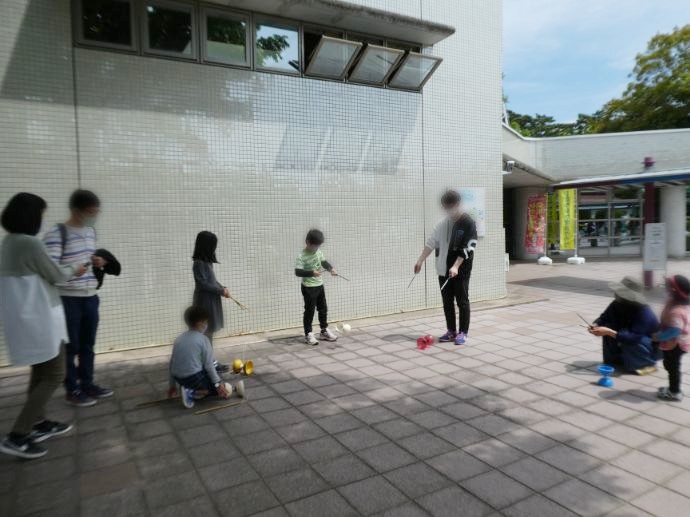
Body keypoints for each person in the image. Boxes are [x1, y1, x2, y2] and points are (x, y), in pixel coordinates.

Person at [0, 193, 87, 459]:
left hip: (26, 318)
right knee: (54, 374)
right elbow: (57, 274)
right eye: (41, 214)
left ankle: (37, 422)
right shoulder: (29, 244)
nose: (42, 220)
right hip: (40, 318)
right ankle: (18, 434)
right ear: (31, 216)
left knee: (40, 371)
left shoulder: (9, 242)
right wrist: (76, 268)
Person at [43, 189, 113, 407]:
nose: (94, 216)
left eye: (96, 212)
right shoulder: (57, 233)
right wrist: (74, 270)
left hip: (90, 296)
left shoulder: (90, 231)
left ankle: (88, 384)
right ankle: (72, 388)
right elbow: (50, 268)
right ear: (76, 210)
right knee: (71, 347)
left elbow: (86, 260)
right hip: (68, 298)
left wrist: (97, 261)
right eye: (91, 212)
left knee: (87, 345)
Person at [414, 190, 477, 345]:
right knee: (447, 302)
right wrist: (420, 260)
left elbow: (469, 247)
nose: (449, 211)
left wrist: (456, 266)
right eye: (446, 208)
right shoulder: (442, 224)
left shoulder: (468, 222)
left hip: (461, 270)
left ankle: (463, 332)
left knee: (462, 301)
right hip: (443, 270)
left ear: (458, 204)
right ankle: (451, 331)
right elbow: (431, 243)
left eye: (451, 207)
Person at [167, 306, 241, 409]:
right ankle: (191, 393)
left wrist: (172, 386)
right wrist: (218, 385)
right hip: (192, 377)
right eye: (206, 322)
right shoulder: (203, 340)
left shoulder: (179, 339)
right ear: (199, 324)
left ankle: (187, 388)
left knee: (210, 376)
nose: (206, 325)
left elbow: (171, 364)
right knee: (218, 389)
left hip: (178, 378)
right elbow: (209, 365)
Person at [588, 277, 659, 375]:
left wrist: (609, 332)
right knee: (610, 330)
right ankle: (618, 359)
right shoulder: (617, 304)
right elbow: (604, 317)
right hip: (627, 334)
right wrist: (596, 324)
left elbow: (634, 337)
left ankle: (647, 363)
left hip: (649, 345)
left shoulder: (645, 312)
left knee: (624, 337)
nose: (617, 295)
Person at [192, 231, 231, 373]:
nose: (214, 249)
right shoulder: (198, 263)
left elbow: (212, 281)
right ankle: (206, 364)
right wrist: (220, 291)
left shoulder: (206, 263)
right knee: (205, 333)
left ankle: (209, 362)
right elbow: (203, 284)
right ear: (206, 246)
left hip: (210, 300)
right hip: (204, 303)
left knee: (209, 333)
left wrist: (222, 287)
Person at [295, 229, 338, 346]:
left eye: (318, 246)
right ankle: (308, 334)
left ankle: (324, 331)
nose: (316, 248)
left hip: (319, 285)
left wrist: (331, 269)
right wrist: (311, 273)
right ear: (307, 242)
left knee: (323, 308)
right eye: (314, 246)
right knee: (309, 311)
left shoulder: (318, 252)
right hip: (308, 287)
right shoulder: (302, 256)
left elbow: (323, 262)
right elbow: (297, 272)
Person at [655, 275, 690, 402]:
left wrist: (658, 336)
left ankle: (674, 392)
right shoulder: (674, 301)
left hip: (676, 345)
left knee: (672, 367)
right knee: (670, 365)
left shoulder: (677, 311)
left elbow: (675, 330)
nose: (665, 288)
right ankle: (672, 388)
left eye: (667, 287)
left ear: (674, 291)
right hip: (674, 343)